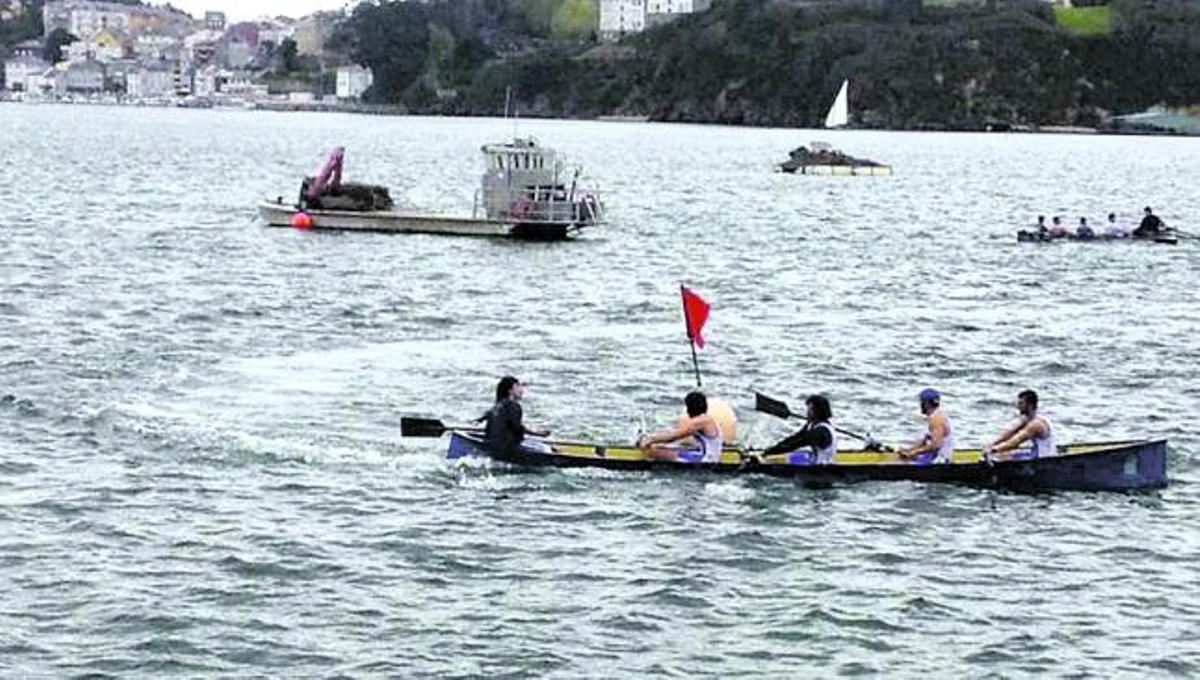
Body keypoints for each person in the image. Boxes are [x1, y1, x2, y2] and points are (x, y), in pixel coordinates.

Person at [637, 391, 723, 463]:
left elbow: (675, 436)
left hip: (705, 460)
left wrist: (651, 440)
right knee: (665, 449)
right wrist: (652, 436)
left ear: (690, 407)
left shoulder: (701, 421)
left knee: (654, 452)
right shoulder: (706, 419)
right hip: (705, 455)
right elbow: (675, 432)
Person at [480, 376, 549, 456]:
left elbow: (487, 418)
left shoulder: (496, 406)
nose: (522, 390)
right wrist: (538, 433)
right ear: (510, 390)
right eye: (518, 386)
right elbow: (518, 428)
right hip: (508, 447)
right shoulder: (513, 405)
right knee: (545, 449)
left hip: (493, 445)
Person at [763, 394, 838, 463]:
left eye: (810, 410)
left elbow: (796, 444)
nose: (807, 412)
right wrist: (771, 449)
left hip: (823, 465)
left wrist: (770, 453)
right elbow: (794, 438)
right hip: (815, 460)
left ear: (818, 412)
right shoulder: (811, 424)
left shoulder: (820, 431)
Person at [984, 389, 1055, 459]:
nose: (1018, 406)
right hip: (1035, 452)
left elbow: (1015, 441)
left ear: (1030, 405)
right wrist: (992, 443)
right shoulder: (1029, 417)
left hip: (1042, 458)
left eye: (1021, 403)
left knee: (1001, 456)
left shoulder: (1036, 424)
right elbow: (1010, 431)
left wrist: (994, 449)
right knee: (1001, 454)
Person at [899, 388, 953, 463]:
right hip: (929, 458)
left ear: (926, 404)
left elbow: (936, 446)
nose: (920, 405)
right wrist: (909, 450)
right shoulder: (933, 417)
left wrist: (914, 452)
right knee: (900, 460)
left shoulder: (937, 420)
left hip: (938, 461)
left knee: (899, 463)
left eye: (921, 402)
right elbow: (924, 442)